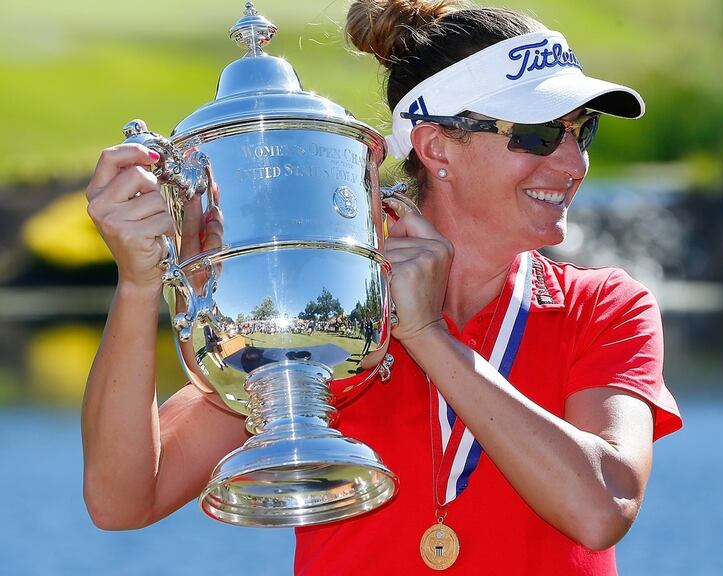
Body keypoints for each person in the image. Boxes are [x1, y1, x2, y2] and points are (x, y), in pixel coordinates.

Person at [81, 0, 682, 574]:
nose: (574, 163)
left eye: (584, 131)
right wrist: (138, 285)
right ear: (438, 147)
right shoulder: (329, 304)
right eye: (540, 136)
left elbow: (602, 509)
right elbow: (124, 501)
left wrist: (427, 336)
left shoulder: (605, 304)